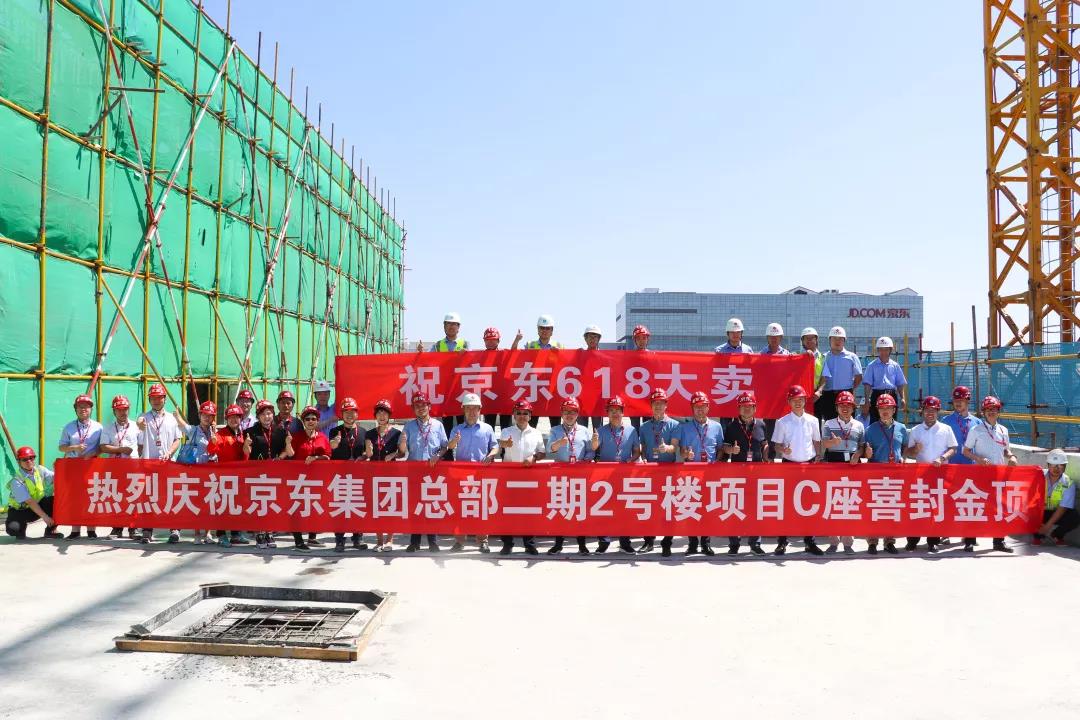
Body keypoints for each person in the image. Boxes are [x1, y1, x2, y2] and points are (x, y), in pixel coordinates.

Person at [770, 385, 825, 556]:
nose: (798, 403)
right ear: (789, 402)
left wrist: (818, 456)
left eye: (801, 399)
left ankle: (810, 541)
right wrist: (782, 449)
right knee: (786, 505)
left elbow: (817, 441)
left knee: (809, 504)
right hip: (789, 465)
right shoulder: (782, 422)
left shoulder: (813, 420)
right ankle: (782, 541)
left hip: (809, 465)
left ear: (805, 401)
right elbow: (776, 445)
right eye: (794, 400)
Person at [961, 396, 1017, 553]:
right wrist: (978, 459)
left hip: (998, 475)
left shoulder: (1003, 430)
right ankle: (970, 541)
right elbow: (965, 451)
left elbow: (1006, 449)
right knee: (976, 507)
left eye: (994, 409)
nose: (991, 412)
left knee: (998, 508)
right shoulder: (976, 430)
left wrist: (1011, 456)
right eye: (988, 410)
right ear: (983, 412)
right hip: (980, 474)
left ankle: (999, 541)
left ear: (998, 411)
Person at [670, 391, 723, 556]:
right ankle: (692, 543)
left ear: (708, 407)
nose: (700, 410)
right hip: (690, 472)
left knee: (707, 509)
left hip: (709, 473)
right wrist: (686, 454)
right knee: (691, 507)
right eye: (696, 407)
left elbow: (720, 448)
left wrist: (717, 462)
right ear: (692, 409)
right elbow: (682, 450)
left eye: (703, 406)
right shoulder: (684, 428)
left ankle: (706, 543)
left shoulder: (717, 427)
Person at [446, 393, 499, 552]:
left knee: (481, 508)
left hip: (480, 474)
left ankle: (482, 540)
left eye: (474, 408)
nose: (471, 412)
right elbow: (449, 447)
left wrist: (491, 455)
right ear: (463, 410)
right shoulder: (457, 429)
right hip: (460, 475)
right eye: (468, 408)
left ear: (480, 410)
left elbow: (495, 446)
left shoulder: (487, 428)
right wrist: (454, 441)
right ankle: (459, 541)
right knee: (460, 507)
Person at [903, 396, 957, 553]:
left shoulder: (946, 429)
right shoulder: (915, 430)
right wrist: (915, 450)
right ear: (922, 412)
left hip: (940, 474)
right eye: (927, 410)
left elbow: (953, 448)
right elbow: (908, 452)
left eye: (933, 410)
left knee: (936, 507)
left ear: (937, 411)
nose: (930, 413)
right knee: (918, 506)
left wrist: (943, 458)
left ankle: (933, 541)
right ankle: (912, 540)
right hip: (921, 475)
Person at [721, 391, 768, 556]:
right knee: (735, 508)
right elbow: (724, 447)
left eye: (750, 406)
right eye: (743, 406)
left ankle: (755, 543)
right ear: (738, 408)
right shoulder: (731, 426)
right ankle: (734, 543)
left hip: (756, 473)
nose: (746, 409)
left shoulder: (761, 424)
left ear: (755, 408)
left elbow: (764, 444)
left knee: (755, 509)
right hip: (737, 473)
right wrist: (731, 450)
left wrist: (767, 453)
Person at [399, 393, 449, 552]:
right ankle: (415, 542)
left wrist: (438, 455)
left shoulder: (438, 425)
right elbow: (402, 451)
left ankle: (433, 541)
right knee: (416, 506)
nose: (421, 408)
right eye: (417, 406)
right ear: (413, 409)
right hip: (414, 471)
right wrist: (403, 443)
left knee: (432, 505)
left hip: (433, 471)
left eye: (423, 405)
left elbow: (445, 446)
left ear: (429, 406)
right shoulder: (408, 426)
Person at [135, 384, 183, 544]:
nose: (156, 400)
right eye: (153, 398)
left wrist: (170, 452)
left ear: (165, 399)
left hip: (168, 464)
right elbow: (139, 426)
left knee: (171, 497)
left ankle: (174, 529)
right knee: (148, 497)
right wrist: (140, 424)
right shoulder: (144, 417)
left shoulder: (171, 418)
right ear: (149, 400)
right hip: (149, 465)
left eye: (159, 397)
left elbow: (177, 439)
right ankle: (147, 530)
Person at [592, 396, 639, 554]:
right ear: (607, 413)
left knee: (625, 510)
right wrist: (594, 441)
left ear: (623, 413)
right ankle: (603, 542)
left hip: (625, 475)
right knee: (604, 509)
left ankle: (625, 542)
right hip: (605, 477)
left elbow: (637, 451)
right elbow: (594, 448)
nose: (615, 413)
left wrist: (631, 459)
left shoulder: (631, 430)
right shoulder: (601, 431)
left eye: (618, 410)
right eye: (612, 410)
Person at [497, 400, 546, 555]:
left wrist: (534, 457)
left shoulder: (536, 433)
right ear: (514, 415)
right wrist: (505, 443)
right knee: (507, 512)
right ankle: (507, 544)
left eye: (525, 413)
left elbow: (542, 452)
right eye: (519, 413)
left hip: (529, 477)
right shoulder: (506, 431)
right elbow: (501, 444)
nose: (522, 416)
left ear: (530, 416)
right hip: (509, 477)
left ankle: (529, 544)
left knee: (529, 512)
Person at [546, 397, 593, 556]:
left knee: (579, 509)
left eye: (572, 412)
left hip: (579, 475)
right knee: (561, 508)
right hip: (561, 475)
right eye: (566, 412)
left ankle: (582, 544)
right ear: (561, 414)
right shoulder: (555, 430)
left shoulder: (584, 430)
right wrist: (558, 443)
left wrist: (586, 460)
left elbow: (590, 450)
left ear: (577, 414)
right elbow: (549, 449)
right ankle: (558, 544)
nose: (569, 415)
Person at [819, 391, 865, 554]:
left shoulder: (859, 425)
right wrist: (833, 442)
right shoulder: (828, 424)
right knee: (833, 502)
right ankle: (833, 541)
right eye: (841, 405)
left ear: (853, 408)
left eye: (848, 405)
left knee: (849, 503)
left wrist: (858, 454)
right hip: (834, 464)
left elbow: (862, 446)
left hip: (852, 465)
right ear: (836, 407)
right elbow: (824, 443)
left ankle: (847, 542)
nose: (845, 408)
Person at [636, 389, 680, 554]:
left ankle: (667, 542)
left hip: (668, 471)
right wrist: (642, 458)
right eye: (655, 403)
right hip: (650, 472)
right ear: (651, 405)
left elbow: (674, 446)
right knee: (650, 506)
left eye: (661, 403)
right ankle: (648, 541)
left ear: (666, 405)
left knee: (668, 507)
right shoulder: (644, 426)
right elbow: (643, 448)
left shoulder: (674, 425)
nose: (658, 406)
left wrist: (666, 448)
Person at [243, 400, 292, 549]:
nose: (267, 417)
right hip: (256, 474)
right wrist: (246, 445)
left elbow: (287, 451)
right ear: (258, 416)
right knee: (258, 503)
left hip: (274, 473)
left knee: (271, 503)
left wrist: (280, 458)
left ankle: (270, 532)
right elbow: (246, 453)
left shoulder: (280, 430)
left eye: (269, 413)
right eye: (263, 414)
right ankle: (259, 533)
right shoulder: (251, 431)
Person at [862, 394, 907, 555]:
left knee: (891, 508)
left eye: (888, 408)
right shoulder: (870, 430)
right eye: (882, 408)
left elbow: (905, 448)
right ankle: (872, 541)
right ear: (878, 410)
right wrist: (867, 453)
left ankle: (889, 541)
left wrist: (903, 457)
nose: (885, 411)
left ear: (894, 410)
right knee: (874, 509)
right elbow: (865, 453)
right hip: (876, 474)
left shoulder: (902, 428)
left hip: (894, 474)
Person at [205, 403, 251, 547]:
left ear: (241, 418)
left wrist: (247, 446)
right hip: (224, 477)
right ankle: (221, 535)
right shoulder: (221, 434)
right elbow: (211, 450)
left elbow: (246, 455)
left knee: (236, 505)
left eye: (237, 417)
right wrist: (213, 442)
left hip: (239, 476)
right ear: (226, 419)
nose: (234, 420)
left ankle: (236, 534)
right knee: (223, 506)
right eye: (231, 417)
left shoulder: (243, 434)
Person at [58, 393, 103, 539]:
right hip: (73, 466)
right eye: (80, 406)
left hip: (91, 465)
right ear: (75, 409)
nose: (83, 409)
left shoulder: (98, 427)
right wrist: (74, 447)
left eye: (86, 406)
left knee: (91, 497)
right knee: (74, 498)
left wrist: (92, 454)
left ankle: (91, 530)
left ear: (91, 409)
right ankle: (75, 530)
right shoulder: (69, 427)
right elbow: (61, 447)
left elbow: (102, 447)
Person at [330, 397, 370, 552]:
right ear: (342, 414)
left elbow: (367, 453)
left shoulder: (364, 432)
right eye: (346, 412)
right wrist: (335, 443)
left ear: (357, 414)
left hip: (358, 477)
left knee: (357, 507)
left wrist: (364, 456)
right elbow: (331, 447)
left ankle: (357, 538)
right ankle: (339, 539)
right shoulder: (335, 431)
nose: (349, 415)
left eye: (352, 411)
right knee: (340, 508)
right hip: (339, 476)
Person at [288, 406, 332, 551]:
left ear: (317, 421)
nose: (311, 421)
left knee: (315, 507)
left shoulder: (322, 437)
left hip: (316, 479)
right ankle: (298, 540)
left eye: (314, 419)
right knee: (297, 508)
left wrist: (316, 458)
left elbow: (328, 456)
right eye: (307, 419)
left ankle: (312, 537)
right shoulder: (297, 437)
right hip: (298, 479)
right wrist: (288, 443)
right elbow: (290, 454)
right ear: (303, 421)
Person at [99, 394, 140, 539]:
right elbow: (103, 447)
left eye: (125, 409)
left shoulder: (136, 426)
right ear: (114, 411)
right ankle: (117, 527)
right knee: (116, 497)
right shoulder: (108, 428)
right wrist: (121, 450)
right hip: (114, 468)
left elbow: (141, 445)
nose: (122, 412)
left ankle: (133, 528)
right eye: (119, 410)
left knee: (133, 497)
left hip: (132, 467)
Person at [364, 398, 403, 552]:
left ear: (389, 416)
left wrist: (394, 454)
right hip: (374, 476)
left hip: (391, 475)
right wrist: (368, 451)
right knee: (376, 508)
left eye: (384, 413)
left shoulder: (396, 433)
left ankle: (389, 540)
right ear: (375, 416)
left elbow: (402, 453)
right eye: (379, 413)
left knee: (390, 507)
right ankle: (379, 540)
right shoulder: (370, 434)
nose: (382, 416)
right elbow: (368, 454)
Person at [179, 400, 218, 544]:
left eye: (210, 415)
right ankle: (196, 533)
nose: (207, 418)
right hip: (195, 472)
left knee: (209, 502)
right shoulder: (194, 430)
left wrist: (214, 437)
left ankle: (208, 533)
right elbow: (183, 426)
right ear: (200, 415)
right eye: (204, 415)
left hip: (211, 472)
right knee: (196, 503)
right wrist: (177, 416)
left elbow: (217, 448)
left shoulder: (215, 432)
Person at [5, 447, 62, 539]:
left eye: (31, 458)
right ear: (19, 462)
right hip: (20, 511)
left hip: (37, 506)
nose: (29, 461)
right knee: (14, 529)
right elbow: (30, 501)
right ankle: (21, 528)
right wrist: (45, 517)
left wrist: (59, 467)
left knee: (56, 502)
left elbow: (57, 478)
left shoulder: (40, 470)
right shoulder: (16, 480)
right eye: (24, 459)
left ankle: (51, 531)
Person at [429, 311, 468, 443]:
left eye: (454, 324)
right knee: (446, 423)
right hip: (444, 389)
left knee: (462, 421)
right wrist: (421, 352)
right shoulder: (437, 345)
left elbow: (472, 363)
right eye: (448, 324)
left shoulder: (465, 344)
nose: (451, 326)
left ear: (458, 327)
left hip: (460, 389)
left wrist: (465, 355)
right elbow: (427, 361)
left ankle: (463, 448)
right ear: (444, 326)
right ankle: (447, 451)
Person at [817, 326, 863, 424]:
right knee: (829, 423)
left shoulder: (852, 357)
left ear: (844, 341)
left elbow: (859, 377)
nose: (837, 341)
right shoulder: (824, 357)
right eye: (834, 338)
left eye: (840, 339)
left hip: (846, 395)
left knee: (848, 424)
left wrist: (850, 388)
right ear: (830, 340)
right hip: (828, 396)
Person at [526, 314, 563, 430]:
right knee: (532, 423)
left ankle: (556, 442)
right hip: (535, 388)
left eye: (547, 328)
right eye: (542, 328)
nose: (545, 331)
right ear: (538, 329)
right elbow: (520, 362)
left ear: (552, 331)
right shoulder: (530, 345)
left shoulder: (559, 346)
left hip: (552, 389)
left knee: (555, 422)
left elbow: (566, 366)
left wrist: (560, 355)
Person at [1034, 449, 1078, 546]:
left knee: (1075, 516)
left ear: (1065, 467)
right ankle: (1038, 536)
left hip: (1056, 512)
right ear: (1048, 465)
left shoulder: (1068, 483)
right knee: (1028, 511)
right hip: (1040, 511)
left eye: (1060, 465)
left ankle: (1057, 535)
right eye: (1053, 465)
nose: (1056, 468)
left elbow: (1063, 508)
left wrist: (1047, 526)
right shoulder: (1038, 476)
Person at [758, 322, 789, 452]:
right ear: (767, 338)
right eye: (771, 336)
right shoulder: (761, 355)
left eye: (776, 336)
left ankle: (786, 454)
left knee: (784, 426)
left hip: (782, 398)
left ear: (781, 338)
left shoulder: (787, 354)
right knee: (769, 428)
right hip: (768, 398)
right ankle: (769, 456)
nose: (774, 339)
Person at [861, 336, 908, 424]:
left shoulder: (895, 365)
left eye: (886, 349)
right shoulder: (871, 365)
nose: (883, 352)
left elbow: (900, 384)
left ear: (890, 350)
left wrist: (903, 398)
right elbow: (867, 384)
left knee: (892, 422)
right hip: (876, 395)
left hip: (891, 395)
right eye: (881, 349)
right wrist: (867, 400)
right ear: (878, 350)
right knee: (875, 421)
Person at [481, 327, 520, 430]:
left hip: (504, 395)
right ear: (484, 341)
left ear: (498, 341)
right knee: (489, 426)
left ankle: (506, 442)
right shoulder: (479, 356)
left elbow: (513, 353)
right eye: (488, 340)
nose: (490, 342)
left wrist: (516, 340)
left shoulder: (503, 354)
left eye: (493, 340)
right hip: (488, 395)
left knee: (506, 426)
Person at [801, 328, 828, 420]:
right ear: (802, 341)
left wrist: (819, 392)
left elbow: (824, 378)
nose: (809, 340)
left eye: (812, 338)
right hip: (800, 395)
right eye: (806, 338)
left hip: (815, 396)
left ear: (816, 340)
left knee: (816, 422)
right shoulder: (797, 356)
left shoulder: (822, 358)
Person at [583, 325, 605, 431]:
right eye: (590, 337)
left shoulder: (605, 357)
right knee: (581, 429)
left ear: (598, 339)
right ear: (585, 339)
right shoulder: (579, 355)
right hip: (583, 398)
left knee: (598, 430)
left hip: (598, 400)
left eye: (595, 337)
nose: (592, 339)